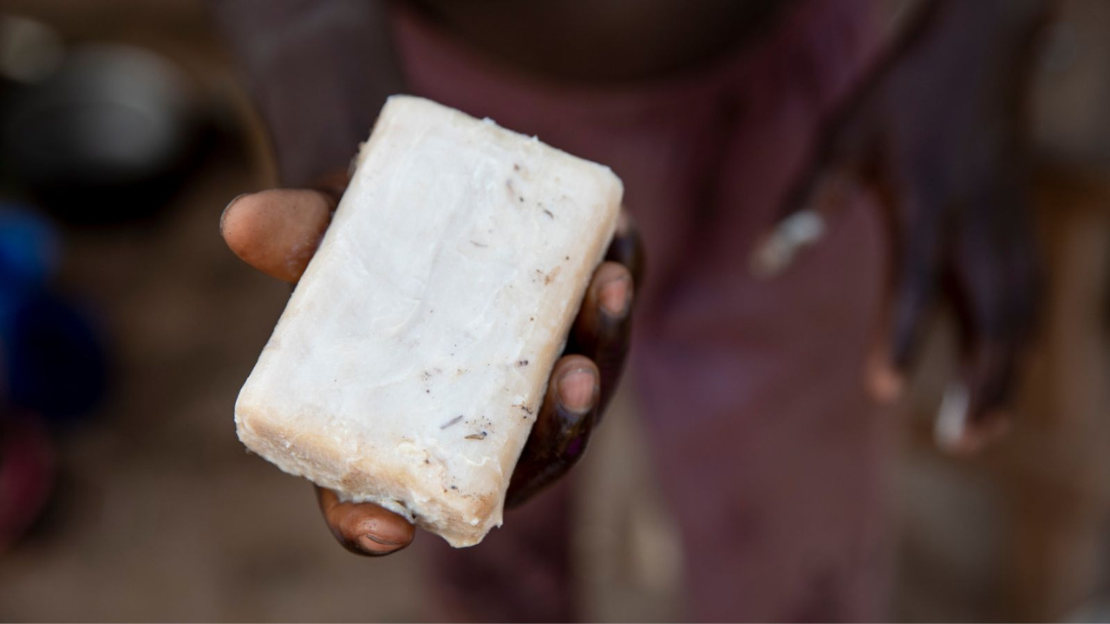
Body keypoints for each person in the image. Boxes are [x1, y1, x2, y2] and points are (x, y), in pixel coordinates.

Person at [213, 0, 1047, 620]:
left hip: (819, 99)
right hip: (453, 92)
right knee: (493, 534)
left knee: (796, 526)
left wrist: (980, 35)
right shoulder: (416, 142)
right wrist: (345, 133)